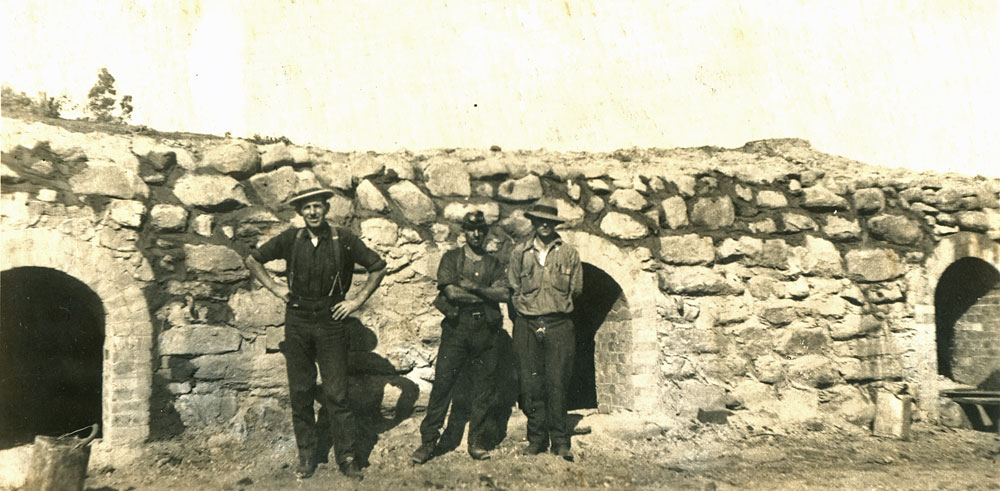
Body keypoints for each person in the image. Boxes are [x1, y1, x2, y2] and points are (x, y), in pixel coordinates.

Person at [244, 187, 386, 480]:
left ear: (326, 209)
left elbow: (378, 267)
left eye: (318, 206)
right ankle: (307, 455)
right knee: (301, 391)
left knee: (337, 393)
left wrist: (356, 301)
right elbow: (253, 260)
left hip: (331, 322)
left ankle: (347, 457)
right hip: (297, 320)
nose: (313, 212)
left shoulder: (342, 239)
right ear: (300, 212)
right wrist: (276, 288)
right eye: (307, 207)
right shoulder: (290, 239)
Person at [412, 211, 509, 464]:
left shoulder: (494, 263)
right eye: (470, 229)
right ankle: (428, 441)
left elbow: (504, 294)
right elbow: (452, 293)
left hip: (486, 330)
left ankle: (476, 441)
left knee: (484, 386)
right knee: (443, 384)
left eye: (480, 230)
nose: (476, 234)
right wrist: (486, 294)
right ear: (463, 232)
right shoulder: (451, 259)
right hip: (457, 328)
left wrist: (474, 287)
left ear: (485, 233)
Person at [507, 200, 583, 461]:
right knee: (530, 383)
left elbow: (576, 289)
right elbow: (513, 289)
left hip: (559, 324)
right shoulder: (520, 253)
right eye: (540, 220)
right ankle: (536, 439)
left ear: (555, 223)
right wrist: (528, 310)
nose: (544, 225)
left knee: (557, 382)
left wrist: (554, 306)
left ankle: (560, 441)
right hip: (528, 324)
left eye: (549, 221)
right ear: (533, 222)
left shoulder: (569, 253)